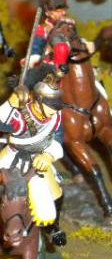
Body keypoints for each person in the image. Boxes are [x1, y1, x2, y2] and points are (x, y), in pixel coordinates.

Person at [0, 65, 65, 231]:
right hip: (13, 156)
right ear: (37, 102)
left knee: (55, 192)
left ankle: (54, 229)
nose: (52, 113)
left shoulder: (55, 116)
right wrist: (9, 104)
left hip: (39, 157)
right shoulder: (20, 116)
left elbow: (57, 138)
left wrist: (49, 156)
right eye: (50, 108)